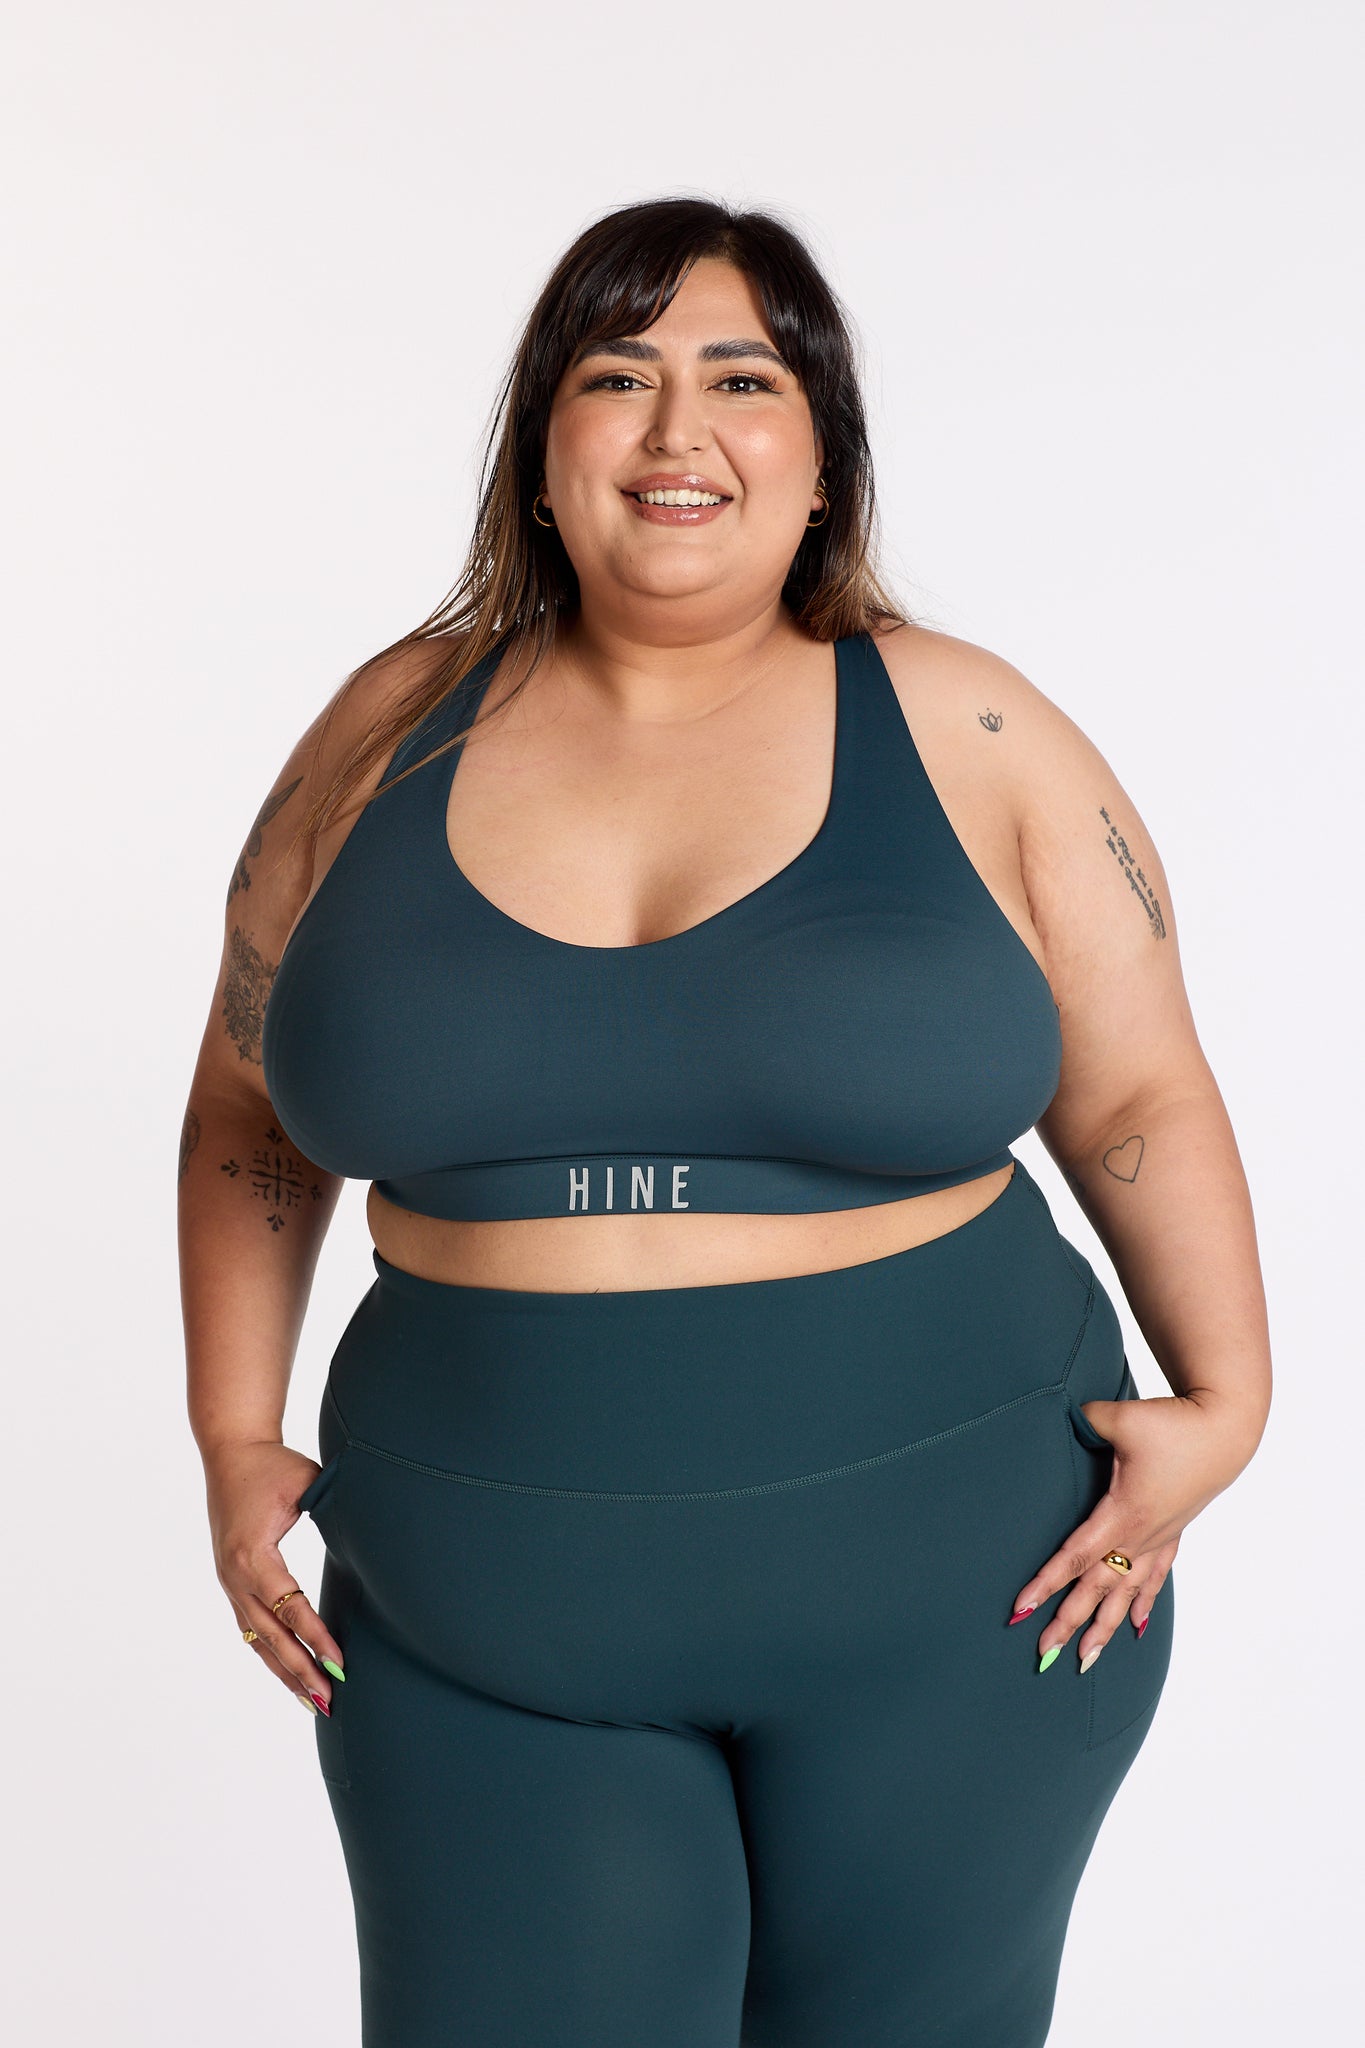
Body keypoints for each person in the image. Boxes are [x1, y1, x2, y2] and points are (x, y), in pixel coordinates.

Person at [178, 196, 1272, 2047]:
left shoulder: (968, 728)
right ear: (542, 452)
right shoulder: (382, 730)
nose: (678, 431)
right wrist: (227, 1431)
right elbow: (246, 1102)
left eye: (743, 381)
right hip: (476, 1613)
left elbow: (1140, 1085)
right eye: (618, 377)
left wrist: (1226, 1404)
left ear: (822, 459)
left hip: (962, 1597)